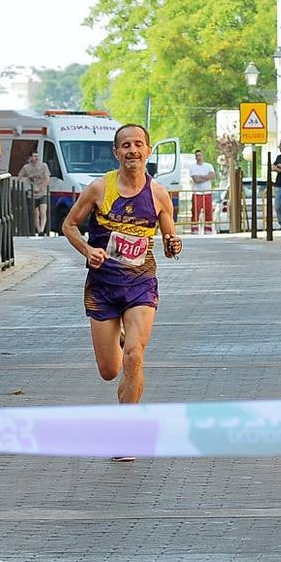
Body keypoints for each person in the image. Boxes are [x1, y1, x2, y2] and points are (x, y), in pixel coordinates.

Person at [61, 123, 181, 460]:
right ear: (117, 152)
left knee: (134, 356)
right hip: (103, 286)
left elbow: (170, 242)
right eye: (125, 145)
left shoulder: (159, 195)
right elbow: (68, 225)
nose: (132, 150)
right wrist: (88, 250)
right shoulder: (99, 188)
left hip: (141, 282)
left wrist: (173, 243)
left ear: (148, 150)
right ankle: (120, 344)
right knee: (110, 370)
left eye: (138, 144)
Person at [17, 151, 51, 236]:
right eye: (34, 156)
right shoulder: (26, 168)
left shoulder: (44, 166)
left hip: (42, 193)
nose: (36, 158)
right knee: (35, 213)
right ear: (30, 158)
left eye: (37, 156)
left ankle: (42, 229)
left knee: (43, 211)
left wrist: (40, 188)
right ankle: (39, 230)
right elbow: (19, 176)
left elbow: (47, 179)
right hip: (31, 194)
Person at [188, 149, 216, 235]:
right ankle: (195, 229)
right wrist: (206, 177)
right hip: (197, 193)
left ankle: (208, 229)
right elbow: (196, 180)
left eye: (200, 155)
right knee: (196, 211)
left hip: (207, 192)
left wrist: (201, 177)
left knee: (208, 211)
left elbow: (213, 175)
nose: (198, 157)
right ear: (195, 157)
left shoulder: (208, 166)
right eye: (197, 156)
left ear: (202, 156)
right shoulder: (193, 167)